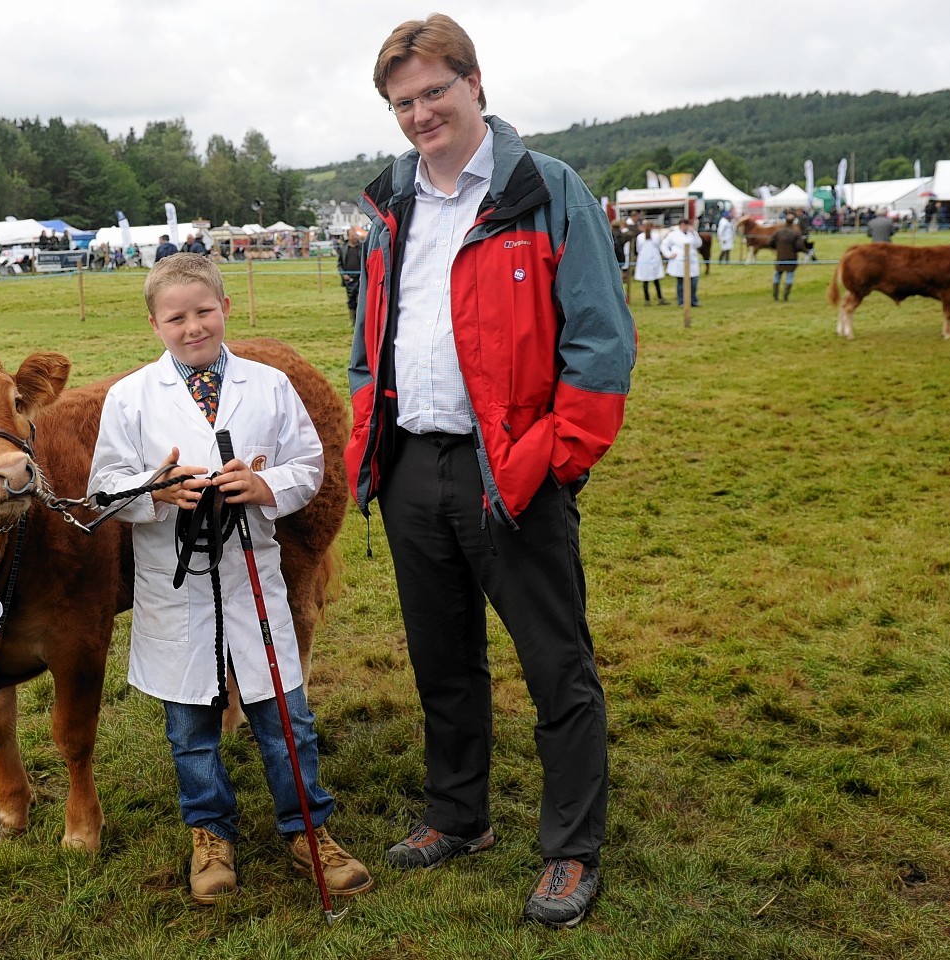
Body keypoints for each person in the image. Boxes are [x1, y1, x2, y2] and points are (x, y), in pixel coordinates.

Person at [348, 14, 633, 929]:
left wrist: (559, 462)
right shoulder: (392, 205)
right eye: (403, 102)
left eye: (435, 91)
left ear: (475, 84)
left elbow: (599, 342)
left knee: (556, 666)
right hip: (412, 466)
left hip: (513, 470)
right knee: (442, 661)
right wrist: (371, 436)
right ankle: (457, 816)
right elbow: (370, 342)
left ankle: (569, 849)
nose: (421, 113)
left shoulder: (543, 190)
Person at [87, 252, 372, 906]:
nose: (193, 327)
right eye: (176, 317)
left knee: (285, 719)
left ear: (225, 310)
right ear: (154, 324)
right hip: (175, 588)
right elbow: (103, 490)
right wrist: (154, 494)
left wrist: (264, 483)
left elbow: (310, 465)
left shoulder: (269, 386)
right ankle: (209, 833)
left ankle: (308, 830)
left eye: (203, 311)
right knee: (190, 730)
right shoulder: (131, 398)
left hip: (252, 579)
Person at [661, 218, 702, 306]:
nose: (685, 227)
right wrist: (669, 254)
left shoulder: (692, 234)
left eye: (687, 225)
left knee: (694, 282)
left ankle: (693, 300)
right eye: (683, 225)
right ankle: (681, 301)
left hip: (692, 261)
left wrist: (694, 233)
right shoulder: (673, 234)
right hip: (679, 261)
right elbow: (664, 245)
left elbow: (698, 244)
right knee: (681, 283)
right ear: (680, 225)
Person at [772, 220, 806, 301]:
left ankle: (775, 296)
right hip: (791, 258)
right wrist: (806, 251)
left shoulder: (778, 233)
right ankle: (785, 296)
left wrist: (778, 248)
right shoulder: (795, 234)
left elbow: (771, 242)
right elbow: (799, 246)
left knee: (777, 275)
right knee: (789, 276)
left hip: (780, 258)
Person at [336, 228, 365, 321]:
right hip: (349, 279)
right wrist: (344, 275)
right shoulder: (343, 249)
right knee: (351, 299)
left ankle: (361, 319)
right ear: (348, 237)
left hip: (361, 278)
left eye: (355, 235)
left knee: (362, 300)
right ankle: (352, 319)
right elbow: (339, 264)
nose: (355, 237)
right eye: (352, 236)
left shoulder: (363, 247)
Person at [633, 222, 665, 305]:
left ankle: (647, 300)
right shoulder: (656, 236)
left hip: (644, 259)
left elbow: (638, 249)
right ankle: (660, 298)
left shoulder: (640, 237)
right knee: (656, 280)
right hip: (652, 258)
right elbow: (659, 246)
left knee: (645, 281)